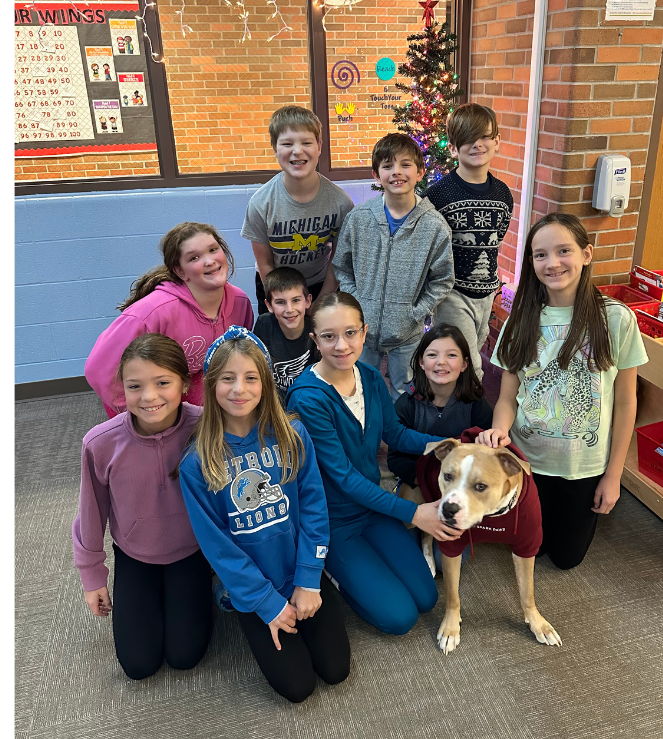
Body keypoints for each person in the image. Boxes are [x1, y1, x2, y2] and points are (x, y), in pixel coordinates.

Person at [180, 327, 350, 703]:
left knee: (336, 670)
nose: (239, 389)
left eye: (250, 378)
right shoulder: (196, 463)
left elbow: (315, 510)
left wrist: (308, 580)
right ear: (211, 385)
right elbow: (218, 547)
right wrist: (268, 605)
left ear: (266, 384)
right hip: (255, 589)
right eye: (228, 378)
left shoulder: (293, 435)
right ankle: (237, 603)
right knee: (298, 687)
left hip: (301, 573)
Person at [286, 293, 470, 636]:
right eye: (329, 336)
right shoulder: (307, 398)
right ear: (315, 340)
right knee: (399, 618)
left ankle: (365, 571)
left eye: (351, 333)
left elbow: (394, 433)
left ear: (364, 332)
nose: (341, 345)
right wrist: (414, 514)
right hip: (334, 520)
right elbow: (344, 478)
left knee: (427, 597)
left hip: (372, 507)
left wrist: (441, 445)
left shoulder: (370, 376)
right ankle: (332, 571)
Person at [487, 213, 648, 569]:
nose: (552, 263)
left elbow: (626, 401)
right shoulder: (521, 319)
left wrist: (614, 474)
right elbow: (507, 397)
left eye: (564, 251)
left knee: (566, 558)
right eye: (540, 254)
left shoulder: (617, 318)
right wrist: (500, 430)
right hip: (528, 461)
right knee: (531, 546)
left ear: (586, 254)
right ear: (530, 261)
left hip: (584, 466)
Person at [72, 333, 212, 680]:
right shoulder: (100, 444)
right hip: (135, 556)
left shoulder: (207, 427)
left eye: (162, 382)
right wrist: (93, 577)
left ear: (183, 383)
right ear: (123, 389)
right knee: (138, 665)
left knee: (185, 656)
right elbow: (90, 515)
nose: (149, 397)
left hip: (192, 553)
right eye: (135, 386)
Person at [84, 222, 253, 416]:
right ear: (180, 271)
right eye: (194, 257)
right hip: (151, 396)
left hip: (190, 389)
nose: (209, 261)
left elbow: (236, 355)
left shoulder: (240, 302)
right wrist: (135, 412)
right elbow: (98, 368)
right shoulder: (151, 312)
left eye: (213, 250)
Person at [331, 133, 455, 396]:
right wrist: (357, 302)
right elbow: (342, 266)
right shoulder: (359, 219)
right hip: (362, 327)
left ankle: (398, 436)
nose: (397, 172)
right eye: (388, 166)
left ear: (420, 172)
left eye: (405, 164)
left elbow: (443, 279)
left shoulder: (434, 226)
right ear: (377, 175)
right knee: (360, 388)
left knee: (404, 390)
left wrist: (417, 311)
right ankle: (365, 435)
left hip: (407, 331)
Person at [426, 103, 513, 380]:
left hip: (486, 291)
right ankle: (471, 416)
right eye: (468, 139)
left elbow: (496, 240)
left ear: (496, 141)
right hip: (452, 292)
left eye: (485, 136)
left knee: (471, 350)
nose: (477, 144)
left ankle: (451, 409)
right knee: (468, 361)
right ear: (453, 148)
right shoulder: (437, 195)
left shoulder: (503, 195)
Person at [241, 105, 354, 315]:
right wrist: (282, 303)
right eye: (286, 143)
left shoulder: (341, 203)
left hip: (320, 284)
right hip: (274, 285)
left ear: (319, 145)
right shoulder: (261, 203)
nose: (297, 151)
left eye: (307, 142)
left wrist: (321, 300)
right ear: (275, 148)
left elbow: (339, 262)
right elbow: (264, 263)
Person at [386, 323, 493, 497]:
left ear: (465, 363)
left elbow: (487, 456)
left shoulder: (477, 406)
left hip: (464, 487)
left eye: (451, 355)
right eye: (432, 355)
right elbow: (395, 459)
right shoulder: (407, 404)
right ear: (421, 362)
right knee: (408, 517)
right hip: (418, 481)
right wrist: (430, 480)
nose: (441, 362)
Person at [252, 267, 320, 400]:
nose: (290, 309)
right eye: (280, 302)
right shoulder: (264, 324)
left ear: (307, 301)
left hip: (309, 403)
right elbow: (255, 367)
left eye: (296, 300)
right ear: (269, 305)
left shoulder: (317, 328)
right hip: (274, 406)